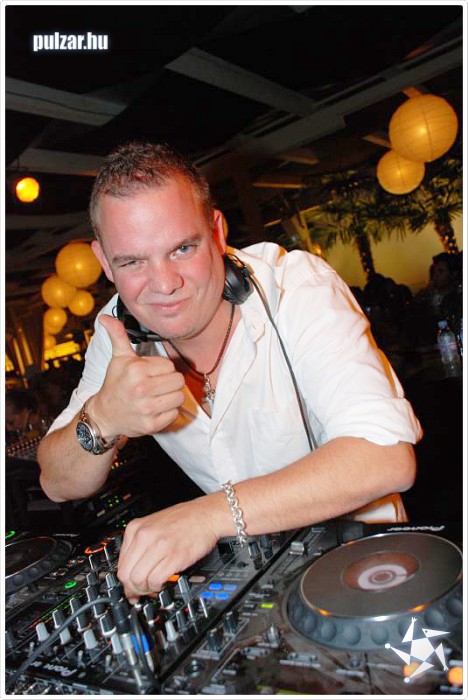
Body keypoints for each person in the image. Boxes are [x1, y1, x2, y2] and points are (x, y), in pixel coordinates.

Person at [37, 142, 422, 602]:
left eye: (182, 248)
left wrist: (206, 517)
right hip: (265, 585)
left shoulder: (297, 287)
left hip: (373, 569)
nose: (164, 284)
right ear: (104, 262)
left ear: (217, 233)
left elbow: (386, 458)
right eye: (133, 261)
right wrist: (102, 417)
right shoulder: (116, 332)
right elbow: (57, 482)